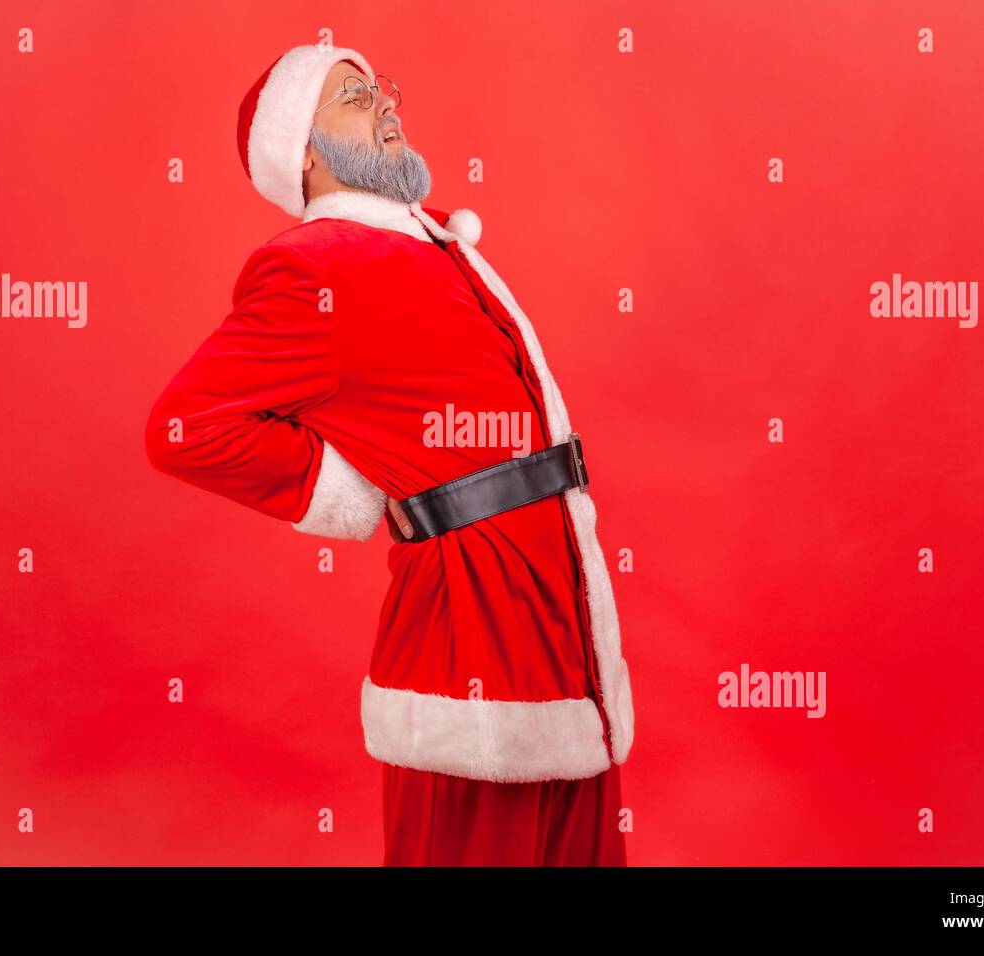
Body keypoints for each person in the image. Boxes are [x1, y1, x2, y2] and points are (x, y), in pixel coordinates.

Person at [144, 42, 635, 866]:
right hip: (472, 655)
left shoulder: (440, 251)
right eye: (352, 95)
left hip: (568, 641)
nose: (385, 103)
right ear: (303, 148)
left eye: (382, 87)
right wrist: (353, 494)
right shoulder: (313, 267)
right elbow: (184, 428)